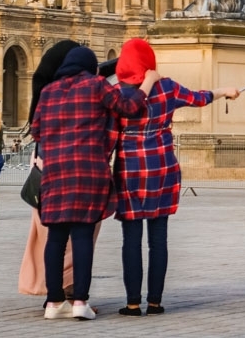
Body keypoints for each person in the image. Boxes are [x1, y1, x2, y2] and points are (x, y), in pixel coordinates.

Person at [110, 38, 240, 316]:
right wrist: (223, 91)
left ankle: (133, 302)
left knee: (130, 240)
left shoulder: (117, 92)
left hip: (129, 170)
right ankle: (155, 301)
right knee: (159, 240)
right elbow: (199, 98)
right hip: (163, 168)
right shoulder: (167, 88)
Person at [31, 45, 149, 321]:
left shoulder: (48, 92)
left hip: (55, 173)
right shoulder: (96, 85)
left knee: (56, 240)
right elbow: (129, 107)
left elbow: (36, 130)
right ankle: (80, 301)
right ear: (89, 67)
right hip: (87, 171)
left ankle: (54, 301)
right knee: (82, 236)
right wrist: (149, 84)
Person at [19, 40, 91, 299]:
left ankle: (52, 294)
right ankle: (71, 292)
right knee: (77, 238)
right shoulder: (73, 93)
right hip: (70, 168)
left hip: (43, 166)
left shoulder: (44, 94)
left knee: (48, 237)